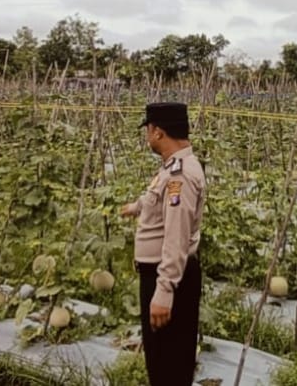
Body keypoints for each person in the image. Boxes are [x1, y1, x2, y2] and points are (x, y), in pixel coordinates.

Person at [120, 101, 206, 386]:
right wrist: (138, 206)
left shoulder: (179, 175)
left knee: (167, 366)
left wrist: (165, 290)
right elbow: (159, 200)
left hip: (167, 277)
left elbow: (176, 235)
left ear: (158, 132)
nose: (147, 136)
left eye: (148, 130)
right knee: (164, 361)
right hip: (165, 275)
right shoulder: (173, 168)